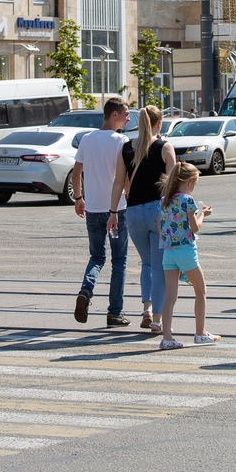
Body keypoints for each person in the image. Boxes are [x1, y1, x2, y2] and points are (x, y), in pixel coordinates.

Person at [108, 105, 176, 333]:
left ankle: (146, 309)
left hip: (133, 212)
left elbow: (119, 182)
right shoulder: (165, 147)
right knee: (159, 267)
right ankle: (157, 319)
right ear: (160, 124)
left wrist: (112, 212)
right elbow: (173, 186)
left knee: (146, 263)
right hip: (158, 211)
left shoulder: (127, 148)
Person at [71, 96, 134, 328]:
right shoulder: (121, 141)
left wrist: (79, 199)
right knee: (119, 261)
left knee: (97, 257)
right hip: (116, 210)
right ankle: (114, 312)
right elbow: (124, 177)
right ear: (113, 114)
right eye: (126, 113)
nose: (128, 117)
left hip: (93, 209)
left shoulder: (87, 139)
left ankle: (86, 290)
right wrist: (132, 197)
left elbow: (77, 173)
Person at [157, 161, 218, 349]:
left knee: (170, 296)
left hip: (168, 253)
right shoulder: (187, 200)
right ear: (190, 182)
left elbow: (160, 227)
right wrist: (202, 215)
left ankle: (167, 337)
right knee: (201, 291)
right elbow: (195, 227)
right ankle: (200, 333)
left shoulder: (164, 200)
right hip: (185, 251)